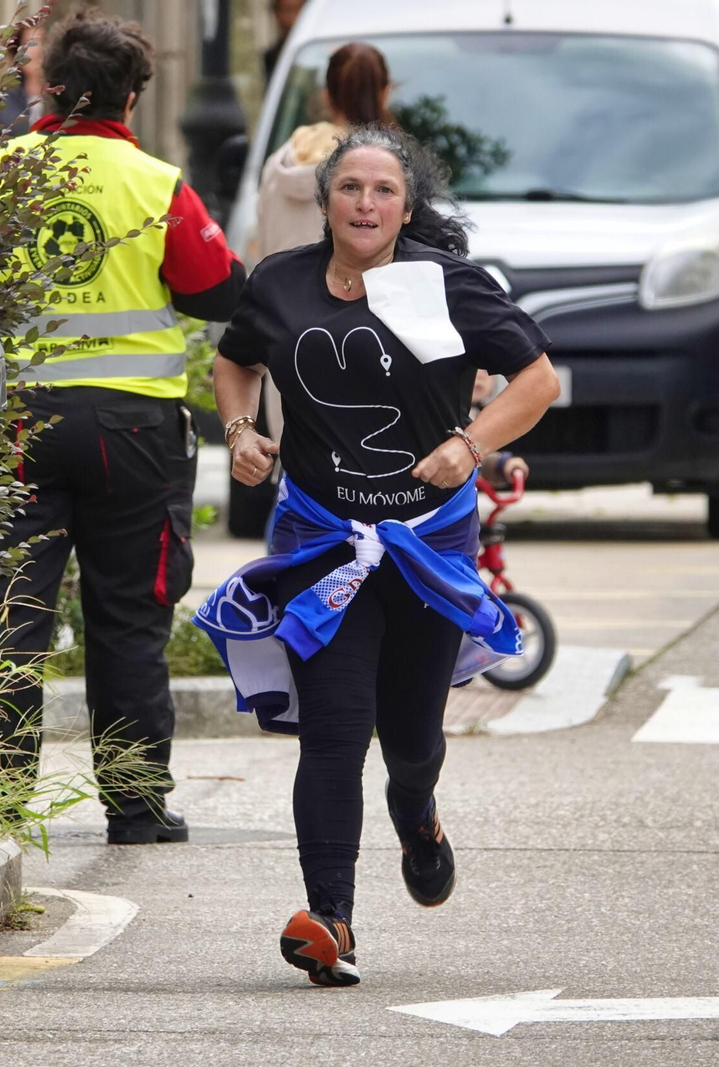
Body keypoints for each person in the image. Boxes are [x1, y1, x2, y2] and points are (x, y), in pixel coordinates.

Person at [196, 125, 561, 986]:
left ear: (406, 205)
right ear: (324, 199)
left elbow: (538, 379)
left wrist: (469, 447)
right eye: (350, 187)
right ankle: (332, 919)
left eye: (383, 190)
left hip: (427, 547)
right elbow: (235, 362)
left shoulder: (446, 286)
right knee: (331, 732)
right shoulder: (281, 283)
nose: (365, 203)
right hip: (325, 545)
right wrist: (244, 431)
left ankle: (419, 815)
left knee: (410, 739)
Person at [0, 8, 245, 845]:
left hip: (19, 423)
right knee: (128, 616)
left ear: (49, 85)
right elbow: (216, 292)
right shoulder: (155, 182)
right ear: (132, 94)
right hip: (131, 428)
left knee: (9, 612)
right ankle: (133, 805)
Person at [255, 42, 392, 258]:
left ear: (327, 96)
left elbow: (262, 249)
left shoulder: (278, 162)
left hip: (277, 290)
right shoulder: (386, 177)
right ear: (385, 94)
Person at [0, 22, 47, 138]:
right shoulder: (0, 105)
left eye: (43, 42)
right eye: (30, 43)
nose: (38, 51)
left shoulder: (67, 103)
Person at [262, 0, 303, 82]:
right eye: (283, 11)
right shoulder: (269, 59)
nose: (288, 19)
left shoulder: (316, 52)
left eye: (294, 10)